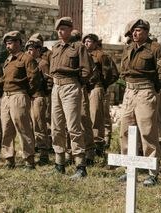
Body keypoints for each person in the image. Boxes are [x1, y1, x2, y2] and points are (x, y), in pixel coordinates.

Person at [119, 19, 161, 186]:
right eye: (133, 32)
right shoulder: (128, 48)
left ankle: (152, 172)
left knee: (147, 132)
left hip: (146, 91)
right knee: (125, 131)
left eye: (138, 31)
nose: (135, 34)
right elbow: (123, 70)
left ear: (146, 31)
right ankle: (129, 169)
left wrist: (154, 88)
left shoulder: (155, 48)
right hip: (129, 92)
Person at [50, 17, 93, 179]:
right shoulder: (56, 47)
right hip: (56, 87)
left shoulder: (78, 47)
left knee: (73, 127)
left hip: (70, 86)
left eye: (63, 29)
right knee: (56, 126)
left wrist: (77, 84)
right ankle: (59, 163)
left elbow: (87, 70)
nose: (60, 32)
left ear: (70, 29)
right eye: (58, 29)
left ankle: (80, 166)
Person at [1, 31, 41, 170]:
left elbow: (34, 79)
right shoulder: (8, 60)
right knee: (6, 129)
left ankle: (29, 160)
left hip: (19, 95)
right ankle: (8, 158)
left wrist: (26, 93)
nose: (8, 45)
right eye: (6, 43)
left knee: (23, 128)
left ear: (18, 42)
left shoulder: (26, 59)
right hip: (6, 96)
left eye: (10, 42)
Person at [83, 33, 115, 157]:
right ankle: (88, 145)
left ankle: (98, 145)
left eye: (90, 41)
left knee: (96, 117)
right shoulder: (82, 55)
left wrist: (102, 86)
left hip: (96, 87)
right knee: (85, 117)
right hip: (85, 88)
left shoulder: (101, 55)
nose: (87, 43)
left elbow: (108, 74)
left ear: (96, 43)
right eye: (85, 41)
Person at [25, 38, 52, 165]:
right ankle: (32, 151)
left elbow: (49, 81)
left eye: (32, 49)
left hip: (38, 97)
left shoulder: (42, 63)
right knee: (29, 126)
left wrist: (44, 95)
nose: (29, 52)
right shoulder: (27, 63)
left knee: (40, 125)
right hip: (28, 98)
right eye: (28, 50)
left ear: (38, 50)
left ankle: (44, 154)